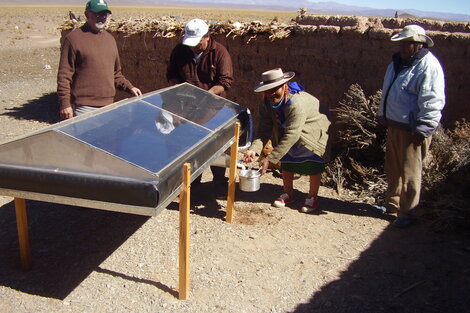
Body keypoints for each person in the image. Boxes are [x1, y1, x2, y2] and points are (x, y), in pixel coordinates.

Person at [377, 25, 445, 228]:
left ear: (418, 45)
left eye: (406, 43)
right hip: (394, 125)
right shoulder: (397, 63)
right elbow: (387, 91)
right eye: (401, 43)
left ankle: (407, 212)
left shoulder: (428, 66)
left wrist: (424, 128)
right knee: (393, 169)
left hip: (412, 129)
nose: (402, 47)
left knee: (410, 173)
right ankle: (393, 205)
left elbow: (432, 100)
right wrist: (382, 116)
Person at [243, 68, 331, 213]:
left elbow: (292, 134)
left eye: (274, 89)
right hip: (290, 129)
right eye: (267, 90)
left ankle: (312, 197)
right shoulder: (266, 103)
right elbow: (264, 129)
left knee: (312, 161)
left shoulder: (296, 103)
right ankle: (289, 193)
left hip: (314, 128)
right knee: (287, 157)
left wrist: (271, 158)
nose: (271, 94)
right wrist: (254, 149)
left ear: (284, 86)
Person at [166, 18, 234, 198]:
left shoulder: (220, 53)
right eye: (191, 43)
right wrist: (179, 91)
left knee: (215, 145)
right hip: (186, 107)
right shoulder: (180, 51)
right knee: (191, 146)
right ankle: (193, 183)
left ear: (207, 37)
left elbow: (225, 82)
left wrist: (206, 95)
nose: (194, 47)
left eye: (197, 43)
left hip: (213, 108)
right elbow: (172, 74)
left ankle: (219, 183)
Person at [57, 0, 142, 120]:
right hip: (84, 107)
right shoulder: (73, 39)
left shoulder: (110, 40)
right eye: (97, 14)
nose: (101, 18)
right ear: (87, 14)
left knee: (107, 139)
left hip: (108, 106)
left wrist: (129, 87)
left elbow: (116, 74)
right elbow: (64, 75)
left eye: (104, 14)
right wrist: (65, 103)